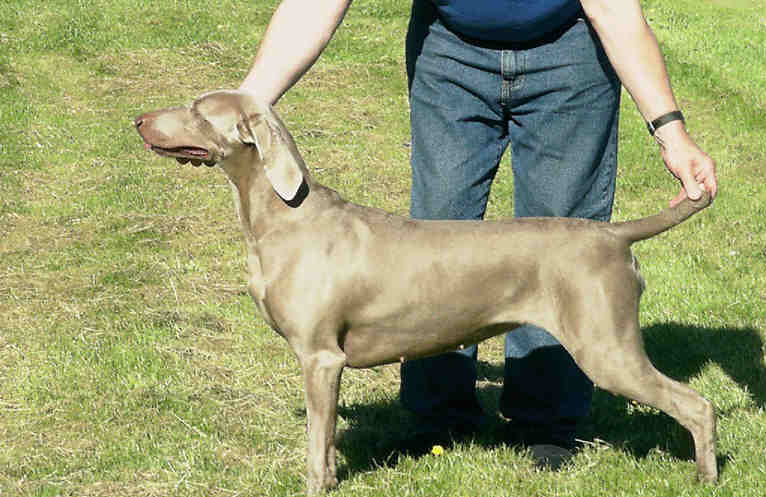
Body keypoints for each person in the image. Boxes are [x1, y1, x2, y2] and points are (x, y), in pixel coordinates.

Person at [240, 0, 718, 457]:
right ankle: (436, 418)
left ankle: (546, 421)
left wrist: (670, 131)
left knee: (561, 246)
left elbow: (613, 9)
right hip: (450, 49)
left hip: (571, 51)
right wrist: (245, 109)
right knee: (428, 244)